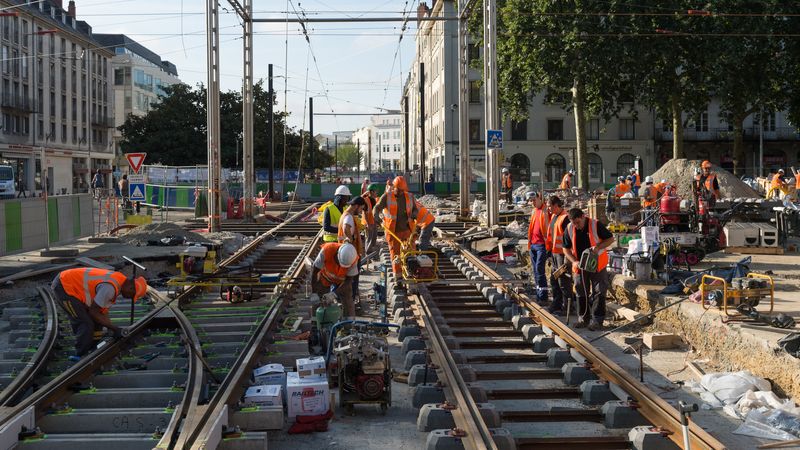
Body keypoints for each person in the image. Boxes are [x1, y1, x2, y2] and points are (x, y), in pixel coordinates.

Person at [51, 268, 147, 358]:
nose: (129, 298)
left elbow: (102, 312)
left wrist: (112, 329)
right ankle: (81, 355)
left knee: (97, 323)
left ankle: (92, 349)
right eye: (132, 296)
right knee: (85, 322)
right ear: (131, 288)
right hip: (64, 285)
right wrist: (114, 328)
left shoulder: (119, 280)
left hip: (71, 285)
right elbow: (94, 311)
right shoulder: (110, 288)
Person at [561, 208, 614, 331]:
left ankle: (597, 321)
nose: (576, 226)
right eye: (574, 223)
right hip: (579, 265)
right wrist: (574, 261)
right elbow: (566, 249)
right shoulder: (569, 228)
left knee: (599, 291)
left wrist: (597, 247)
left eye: (578, 222)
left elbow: (610, 239)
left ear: (583, 217)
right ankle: (583, 319)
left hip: (597, 264)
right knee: (580, 290)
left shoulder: (595, 225)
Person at [373, 176, 423, 275]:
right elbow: (377, 208)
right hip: (393, 232)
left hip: (408, 230)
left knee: (410, 252)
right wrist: (376, 216)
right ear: (394, 187)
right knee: (395, 254)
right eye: (399, 190)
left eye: (402, 190)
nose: (401, 192)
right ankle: (398, 276)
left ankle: (411, 273)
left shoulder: (409, 196)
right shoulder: (386, 196)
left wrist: (414, 214)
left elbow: (415, 209)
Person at [311, 242, 359, 317]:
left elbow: (349, 281)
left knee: (348, 302)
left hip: (343, 283)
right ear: (337, 253)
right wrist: (314, 292)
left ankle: (349, 325)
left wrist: (334, 294)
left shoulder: (352, 259)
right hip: (325, 277)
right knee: (319, 302)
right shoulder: (327, 250)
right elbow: (315, 271)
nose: (341, 266)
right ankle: (317, 323)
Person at [545, 195, 572, 315]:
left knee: (563, 281)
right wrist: (549, 252)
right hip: (555, 254)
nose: (548, 209)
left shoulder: (565, 218)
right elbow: (552, 236)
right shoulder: (555, 217)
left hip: (562, 255)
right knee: (554, 280)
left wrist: (568, 258)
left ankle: (567, 307)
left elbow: (569, 239)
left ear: (556, 205)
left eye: (550, 206)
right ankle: (557, 303)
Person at [526, 192, 550, 304]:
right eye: (531, 201)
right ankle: (539, 294)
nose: (533, 203)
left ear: (540, 199)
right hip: (533, 245)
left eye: (534, 200)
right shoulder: (534, 211)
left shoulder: (546, 211)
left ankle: (543, 296)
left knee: (540, 270)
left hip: (542, 245)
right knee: (535, 271)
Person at [361, 184, 379, 256]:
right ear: (371, 192)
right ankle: (368, 254)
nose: (377, 193)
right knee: (369, 238)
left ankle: (371, 252)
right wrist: (368, 224)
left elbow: (373, 212)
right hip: (368, 222)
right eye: (375, 192)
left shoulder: (373, 200)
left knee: (373, 237)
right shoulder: (366, 200)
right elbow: (365, 213)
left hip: (372, 222)